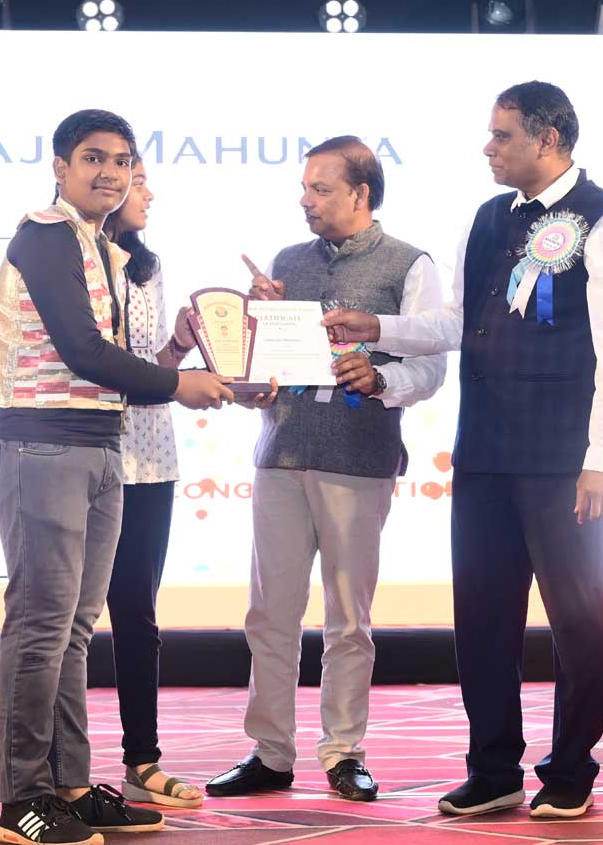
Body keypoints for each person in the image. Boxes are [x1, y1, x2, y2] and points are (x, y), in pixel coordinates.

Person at [322, 82, 603, 819]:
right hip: (486, 453)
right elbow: (455, 323)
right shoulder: (489, 216)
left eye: (502, 135)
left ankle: (570, 769)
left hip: (568, 461)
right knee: (483, 622)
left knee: (578, 622)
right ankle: (494, 769)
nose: (488, 148)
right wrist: (377, 326)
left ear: (548, 138)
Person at [0, 109, 232, 845]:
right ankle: (23, 798)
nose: (111, 173)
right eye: (94, 158)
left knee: (74, 630)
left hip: (98, 441)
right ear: (60, 166)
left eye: (122, 161)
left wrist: (190, 371)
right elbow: (83, 351)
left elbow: (113, 363)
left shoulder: (101, 245)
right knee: (41, 626)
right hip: (37, 441)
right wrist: (177, 385)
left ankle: (71, 786)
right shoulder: (47, 234)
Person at [204, 135, 446, 802]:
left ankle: (344, 752)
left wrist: (380, 378)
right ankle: (270, 752)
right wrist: (251, 346)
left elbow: (432, 366)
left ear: (360, 193)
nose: (306, 200)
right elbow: (262, 374)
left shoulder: (409, 263)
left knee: (348, 618)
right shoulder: (287, 262)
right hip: (280, 453)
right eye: (305, 188)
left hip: (358, 459)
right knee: (269, 613)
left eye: (321, 188)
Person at [97, 159, 278, 809]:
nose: (148, 192)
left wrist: (178, 350)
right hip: (90, 457)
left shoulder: (146, 267)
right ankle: (59, 772)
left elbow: (149, 369)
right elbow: (98, 365)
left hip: (150, 459)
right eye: (138, 179)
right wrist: (177, 380)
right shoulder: (74, 263)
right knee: (71, 621)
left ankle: (141, 763)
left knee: (137, 615)